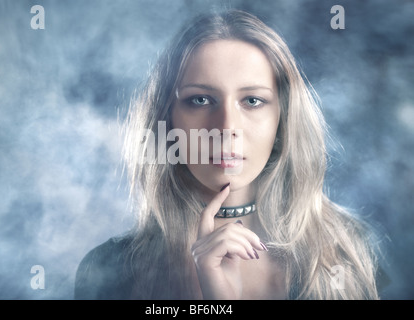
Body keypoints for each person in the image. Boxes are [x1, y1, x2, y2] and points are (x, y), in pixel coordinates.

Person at [75, 9, 382, 300]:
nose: (226, 127)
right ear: (166, 119)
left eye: (252, 100)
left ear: (283, 118)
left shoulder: (349, 252)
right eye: (200, 100)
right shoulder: (110, 271)